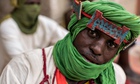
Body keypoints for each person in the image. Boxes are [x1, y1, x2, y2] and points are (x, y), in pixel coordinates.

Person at [1, 0, 140, 84]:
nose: (97, 49)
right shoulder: (24, 68)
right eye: (92, 33)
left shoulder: (116, 76)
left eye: (111, 44)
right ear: (75, 29)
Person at [0, 0, 68, 75]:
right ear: (19, 4)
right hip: (13, 75)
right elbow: (19, 59)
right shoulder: (7, 26)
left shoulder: (44, 22)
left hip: (39, 73)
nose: (35, 7)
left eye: (38, 3)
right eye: (30, 3)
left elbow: (68, 39)